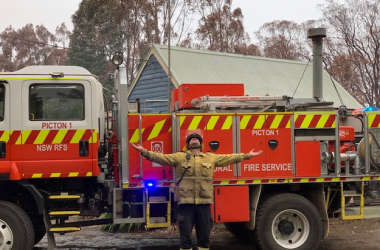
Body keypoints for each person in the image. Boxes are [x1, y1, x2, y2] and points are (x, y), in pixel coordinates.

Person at [131, 131, 262, 250]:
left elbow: (229, 158)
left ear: (201, 144)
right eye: (192, 139)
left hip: (204, 203)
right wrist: (144, 151)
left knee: (204, 236)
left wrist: (246, 156)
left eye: (197, 139)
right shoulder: (180, 157)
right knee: (185, 235)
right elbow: (160, 157)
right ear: (188, 144)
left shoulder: (210, 158)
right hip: (185, 203)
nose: (194, 140)